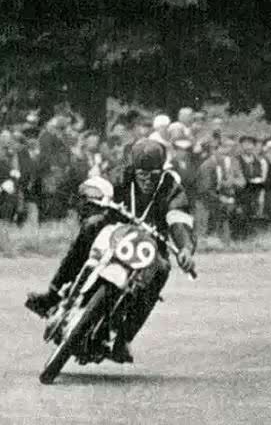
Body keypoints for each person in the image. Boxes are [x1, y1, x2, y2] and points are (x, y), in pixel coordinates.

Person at [24, 139, 197, 363]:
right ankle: (53, 294)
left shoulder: (171, 188)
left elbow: (179, 221)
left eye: (153, 174)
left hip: (151, 246)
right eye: (141, 173)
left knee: (162, 269)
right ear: (134, 168)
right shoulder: (122, 174)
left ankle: (124, 339)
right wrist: (93, 192)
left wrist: (185, 249)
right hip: (115, 231)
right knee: (91, 226)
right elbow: (101, 185)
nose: (146, 179)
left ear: (162, 170)